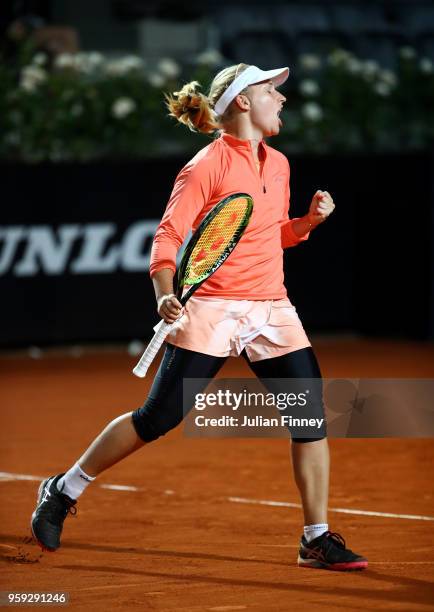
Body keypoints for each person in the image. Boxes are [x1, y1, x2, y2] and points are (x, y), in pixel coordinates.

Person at [31, 62, 368, 571]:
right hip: (210, 307)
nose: (282, 99)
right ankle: (63, 487)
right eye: (270, 91)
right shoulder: (204, 166)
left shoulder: (277, 164)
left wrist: (306, 224)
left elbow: (265, 234)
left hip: (271, 308)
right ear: (242, 102)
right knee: (158, 418)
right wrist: (164, 293)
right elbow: (167, 237)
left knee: (310, 417)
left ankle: (315, 539)